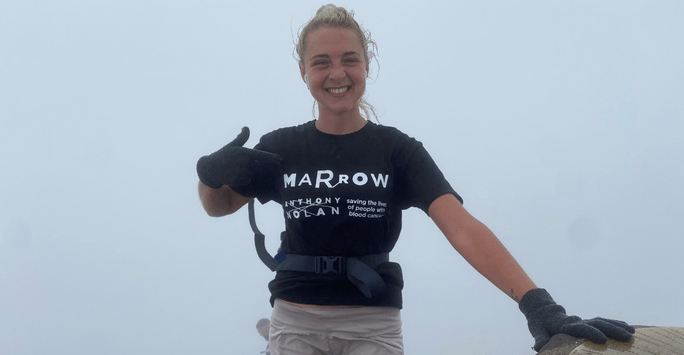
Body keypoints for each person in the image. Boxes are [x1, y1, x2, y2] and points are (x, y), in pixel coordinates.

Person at [196, 4, 635, 355]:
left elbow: (461, 227)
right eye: (321, 62)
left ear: (367, 65)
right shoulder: (280, 147)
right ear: (304, 72)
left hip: (374, 326)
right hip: (294, 321)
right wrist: (211, 175)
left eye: (350, 59)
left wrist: (538, 304)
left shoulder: (398, 150)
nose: (337, 73)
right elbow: (217, 204)